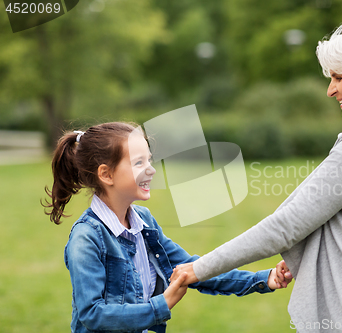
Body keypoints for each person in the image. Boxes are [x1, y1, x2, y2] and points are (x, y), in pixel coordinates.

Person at [173, 18, 342, 332]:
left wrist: (200, 268)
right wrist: (313, 252)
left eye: (339, 77)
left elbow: (287, 224)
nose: (330, 90)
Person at [43, 122, 288, 333]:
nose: (151, 169)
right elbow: (93, 314)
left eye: (149, 160)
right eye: (139, 163)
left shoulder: (144, 221)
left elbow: (191, 269)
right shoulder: (87, 237)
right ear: (106, 174)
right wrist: (163, 304)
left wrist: (262, 279)